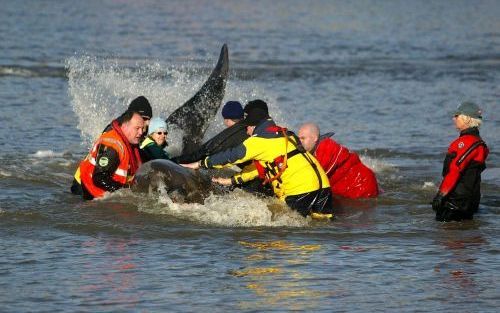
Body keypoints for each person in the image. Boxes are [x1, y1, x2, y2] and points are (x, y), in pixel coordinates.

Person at [182, 100, 334, 219]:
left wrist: (200, 164)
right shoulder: (287, 133)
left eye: (247, 127)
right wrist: (232, 181)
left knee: (287, 230)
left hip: (301, 191)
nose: (246, 130)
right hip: (324, 188)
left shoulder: (258, 141)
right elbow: (258, 168)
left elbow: (231, 156)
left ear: (254, 126)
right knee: (322, 225)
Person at [70, 96, 153, 195]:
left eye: (148, 120)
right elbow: (100, 175)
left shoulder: (134, 131)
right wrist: (126, 191)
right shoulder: (113, 137)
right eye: (143, 119)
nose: (146, 124)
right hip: (83, 184)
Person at [432, 101, 489, 222]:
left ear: (467, 119)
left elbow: (454, 172)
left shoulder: (463, 143)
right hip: (471, 200)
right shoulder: (480, 143)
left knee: (446, 237)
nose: (454, 118)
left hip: (456, 202)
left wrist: (440, 196)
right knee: (466, 235)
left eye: (457, 115)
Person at [298, 123, 379, 199]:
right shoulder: (315, 149)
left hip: (362, 183)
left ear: (315, 138)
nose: (299, 142)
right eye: (298, 139)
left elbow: (315, 177)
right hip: (355, 182)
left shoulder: (326, 148)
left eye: (303, 138)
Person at [79, 111, 144, 200]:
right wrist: (126, 191)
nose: (141, 132)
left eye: (142, 128)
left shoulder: (128, 143)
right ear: (124, 126)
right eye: (137, 128)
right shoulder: (112, 146)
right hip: (92, 195)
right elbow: (99, 178)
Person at [172, 101, 248, 163]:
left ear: (226, 119)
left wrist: (174, 160)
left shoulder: (231, 134)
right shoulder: (250, 126)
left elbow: (204, 152)